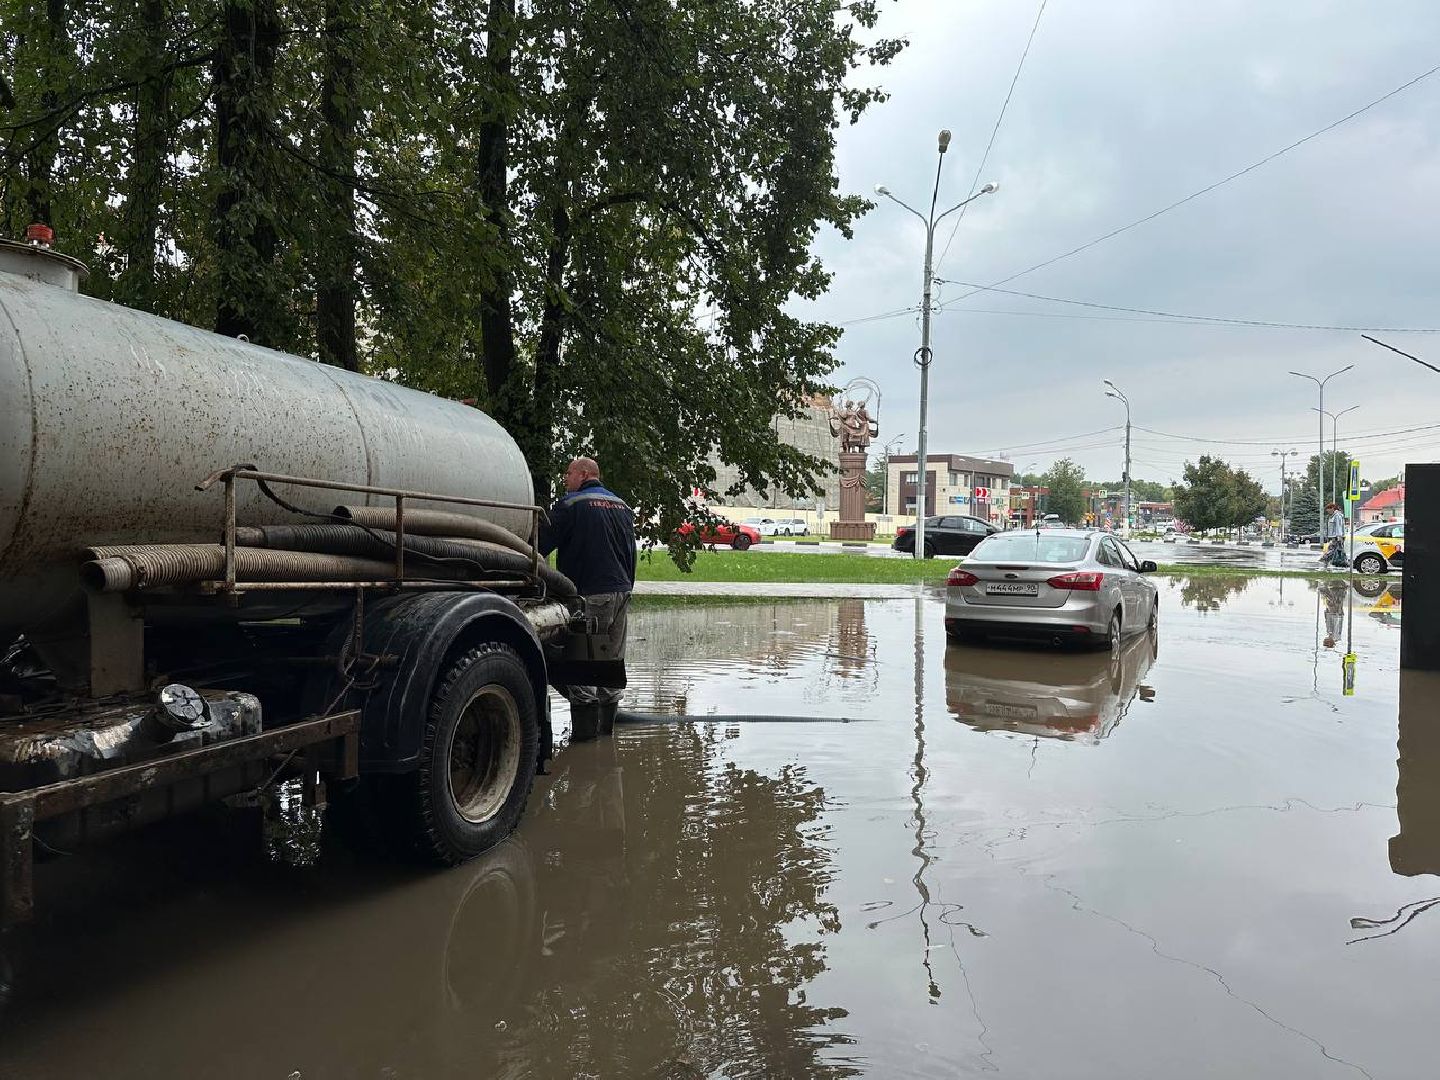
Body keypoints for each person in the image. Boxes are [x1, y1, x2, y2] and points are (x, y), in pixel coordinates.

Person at [539, 457, 637, 741]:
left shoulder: (572, 505)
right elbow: (630, 554)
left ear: (583, 474)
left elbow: (539, 544)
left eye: (568, 473)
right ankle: (606, 743)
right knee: (611, 665)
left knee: (581, 669)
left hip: (589, 596)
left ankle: (584, 745)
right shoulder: (622, 506)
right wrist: (626, 588)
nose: (565, 479)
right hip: (621, 594)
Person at [1320, 502, 1347, 570]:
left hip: (1337, 536)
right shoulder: (1332, 516)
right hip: (1334, 536)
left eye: (1328, 510)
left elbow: (1339, 526)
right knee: (1335, 550)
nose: (1327, 512)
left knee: (1334, 550)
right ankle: (1327, 563)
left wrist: (1339, 537)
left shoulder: (1337, 516)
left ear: (1332, 508)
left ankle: (1325, 559)